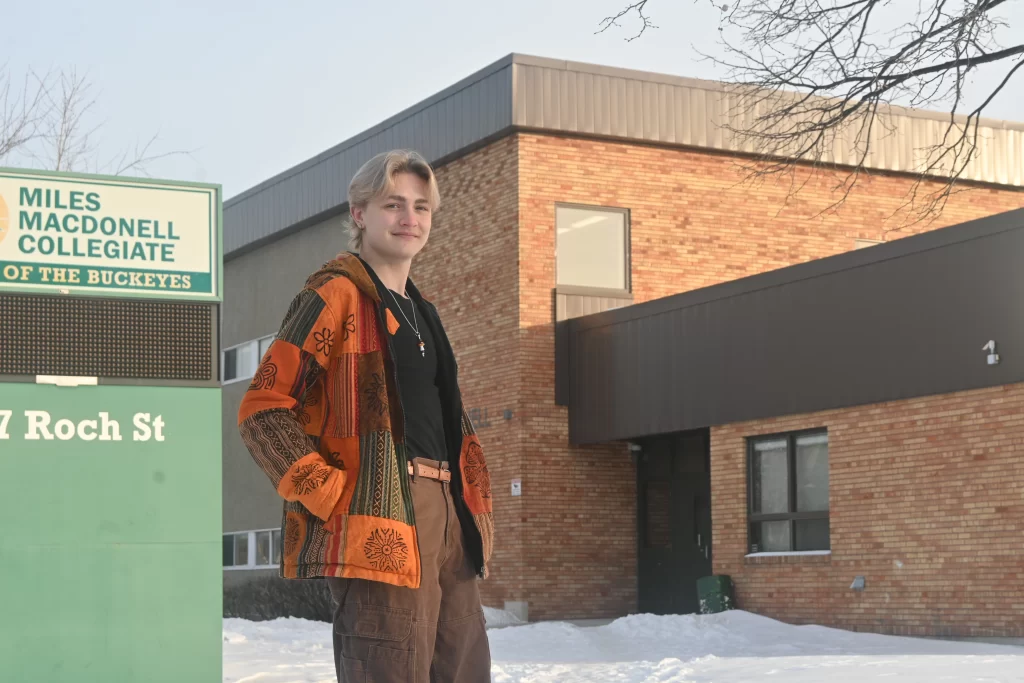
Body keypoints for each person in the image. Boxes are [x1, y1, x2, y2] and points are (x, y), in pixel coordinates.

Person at [237, 149, 494, 683]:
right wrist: (332, 494)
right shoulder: (334, 294)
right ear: (359, 213)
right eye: (393, 204)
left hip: (450, 513)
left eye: (421, 207)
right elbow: (263, 408)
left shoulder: (423, 311)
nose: (409, 218)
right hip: (382, 515)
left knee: (465, 671)